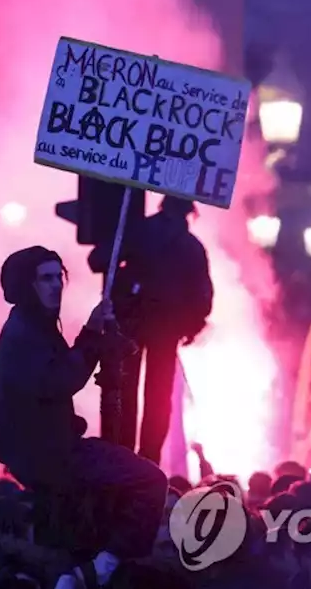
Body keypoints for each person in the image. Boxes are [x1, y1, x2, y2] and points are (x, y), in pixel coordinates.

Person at [0, 246, 167, 587]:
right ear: (26, 285)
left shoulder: (33, 326)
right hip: (50, 455)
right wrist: (92, 340)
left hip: (47, 450)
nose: (56, 286)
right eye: (45, 279)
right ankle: (102, 568)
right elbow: (59, 381)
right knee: (151, 481)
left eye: (59, 277)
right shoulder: (24, 334)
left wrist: (90, 332)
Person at [89, 196, 213, 463]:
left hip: (129, 323)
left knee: (124, 389)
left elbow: (97, 260)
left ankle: (120, 455)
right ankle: (148, 460)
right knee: (159, 395)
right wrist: (192, 325)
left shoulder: (137, 231)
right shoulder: (191, 247)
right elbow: (203, 294)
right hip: (167, 328)